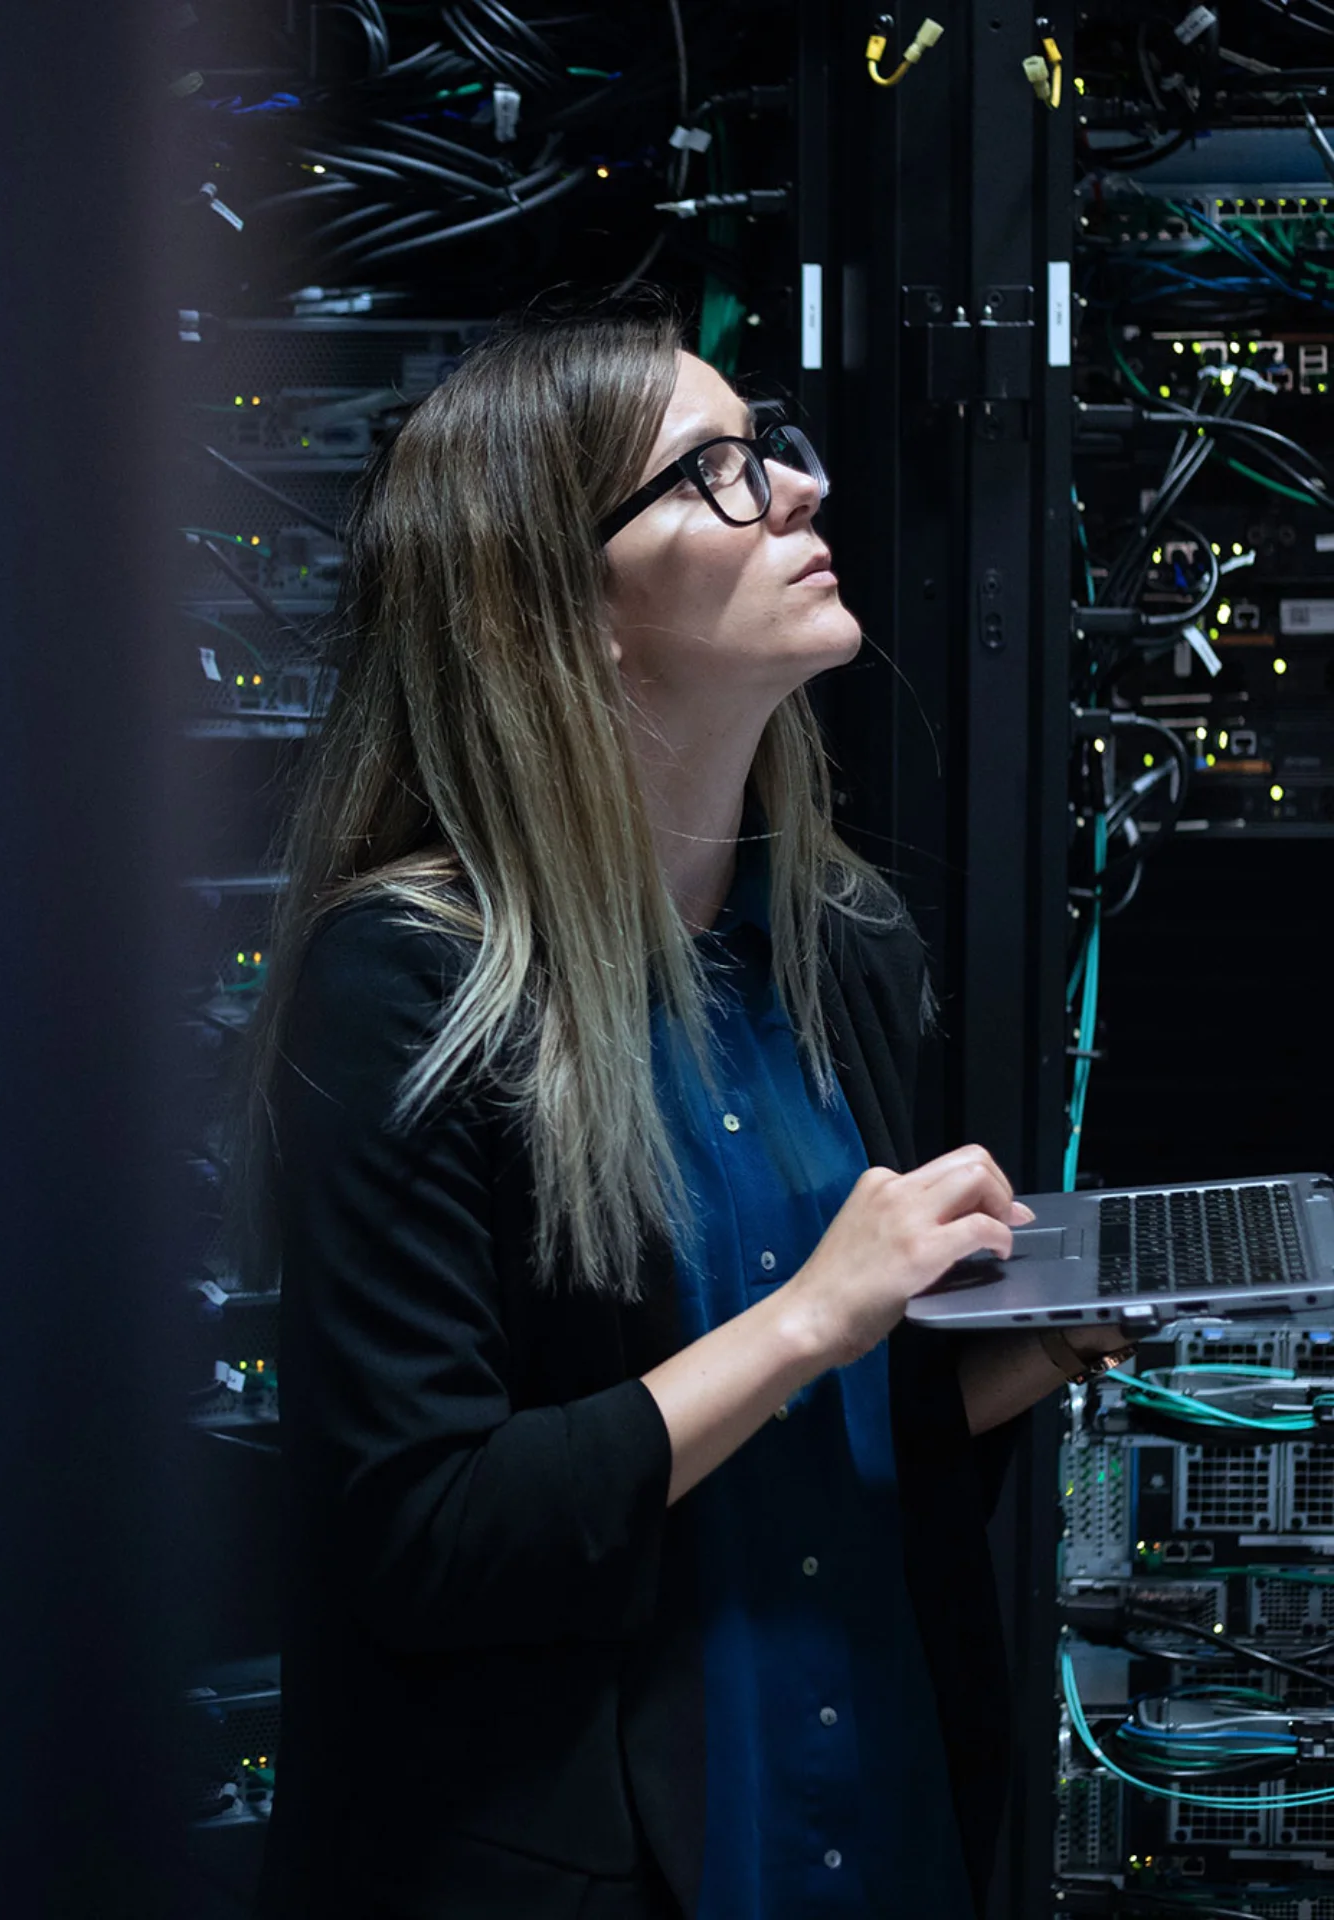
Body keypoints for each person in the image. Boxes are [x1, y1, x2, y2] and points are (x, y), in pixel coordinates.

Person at [238, 299, 1133, 1920]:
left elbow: (795, 1460)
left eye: (769, 448)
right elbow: (428, 1531)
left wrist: (1019, 1357)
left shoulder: (839, 940)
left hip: (877, 1829)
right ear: (562, 613)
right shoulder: (406, 982)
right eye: (710, 474)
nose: (797, 493)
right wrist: (811, 1318)